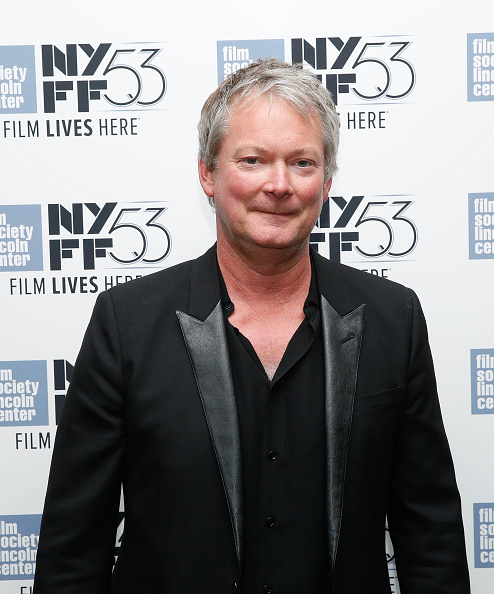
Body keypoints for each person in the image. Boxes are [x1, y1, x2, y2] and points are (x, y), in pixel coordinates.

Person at [34, 58, 469, 594]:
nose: (279, 184)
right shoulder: (126, 323)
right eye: (253, 160)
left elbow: (431, 535)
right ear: (208, 174)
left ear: (327, 181)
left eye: (302, 162)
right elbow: (74, 546)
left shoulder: (392, 318)